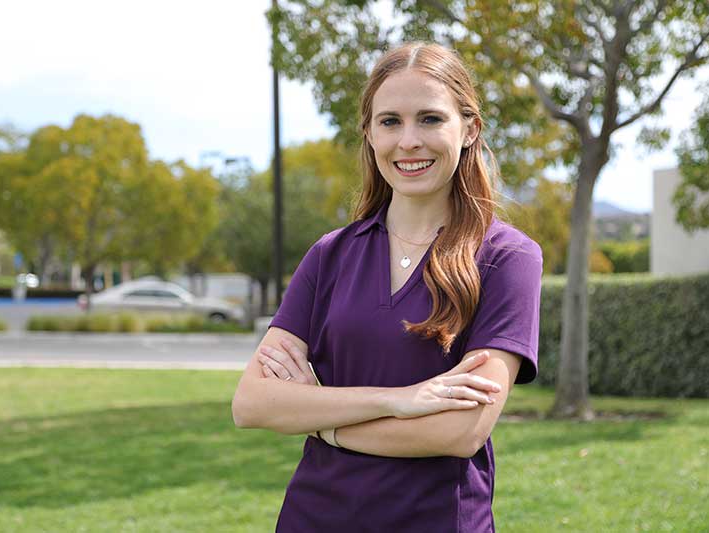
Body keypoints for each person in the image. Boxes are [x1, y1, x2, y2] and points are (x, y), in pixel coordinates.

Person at [232, 41, 543, 532]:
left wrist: (320, 418)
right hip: (313, 518)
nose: (409, 141)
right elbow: (252, 403)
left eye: (430, 119)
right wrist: (398, 400)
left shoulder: (507, 257)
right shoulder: (329, 255)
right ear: (370, 134)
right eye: (390, 121)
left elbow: (462, 429)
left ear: (469, 130)